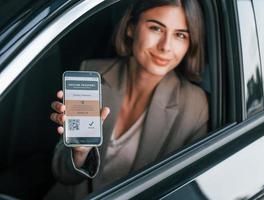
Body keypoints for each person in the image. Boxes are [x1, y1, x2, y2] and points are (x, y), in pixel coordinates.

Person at [47, 0, 208, 199]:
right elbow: (62, 175)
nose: (166, 46)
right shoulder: (93, 72)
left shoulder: (194, 106)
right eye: (156, 28)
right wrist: (79, 153)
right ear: (131, 28)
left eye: (180, 35)